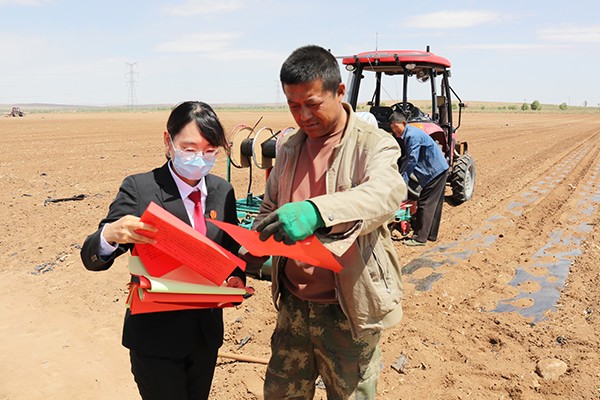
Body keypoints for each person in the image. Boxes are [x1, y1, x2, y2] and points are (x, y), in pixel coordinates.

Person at [248, 45, 407, 399]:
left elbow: (387, 194)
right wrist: (253, 245)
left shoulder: (373, 144)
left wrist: (316, 212)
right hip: (293, 305)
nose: (302, 115)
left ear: (339, 92)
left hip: (348, 307)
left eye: (312, 103)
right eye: (292, 105)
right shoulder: (289, 147)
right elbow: (270, 207)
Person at [80, 101, 245, 400]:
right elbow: (92, 257)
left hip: (204, 336)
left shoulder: (222, 192)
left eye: (210, 151)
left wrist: (236, 279)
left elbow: (230, 253)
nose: (200, 158)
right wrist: (109, 235)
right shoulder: (141, 189)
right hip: (156, 339)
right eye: (190, 148)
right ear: (168, 142)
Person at [388, 111, 449, 246]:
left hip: (435, 171)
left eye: (396, 127)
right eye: (392, 128)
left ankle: (420, 238)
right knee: (434, 204)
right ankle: (430, 235)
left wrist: (403, 178)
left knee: (425, 203)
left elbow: (412, 159)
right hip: (437, 169)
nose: (394, 131)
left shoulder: (412, 135)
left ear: (404, 124)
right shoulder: (409, 133)